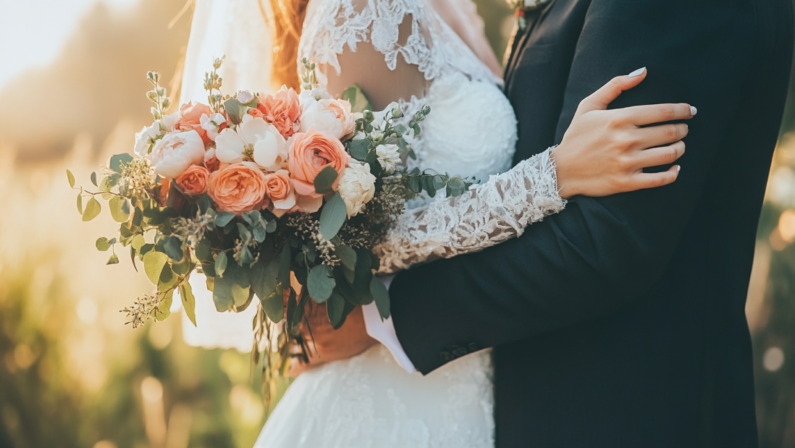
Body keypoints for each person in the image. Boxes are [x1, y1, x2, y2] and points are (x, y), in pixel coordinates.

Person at [257, 1, 793, 448]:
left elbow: (602, 242)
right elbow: (356, 229)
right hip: (441, 398)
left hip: (622, 404)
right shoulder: (368, 16)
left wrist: (390, 320)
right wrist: (551, 175)